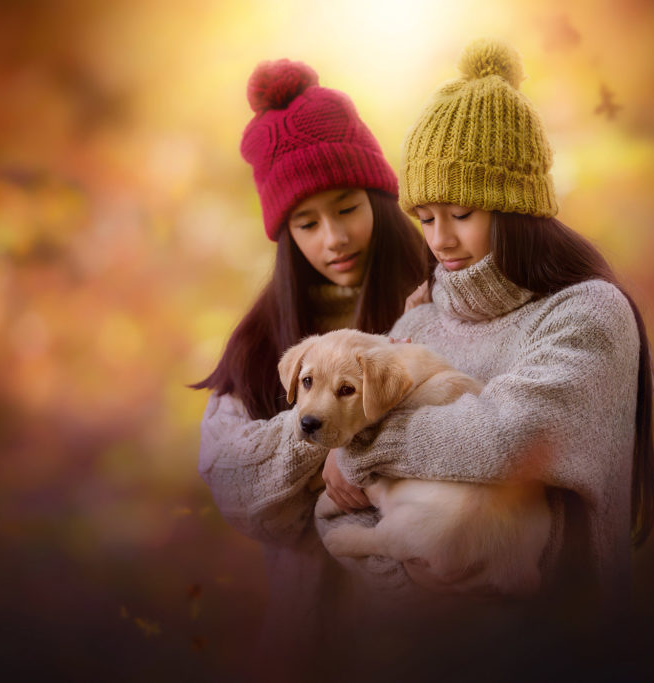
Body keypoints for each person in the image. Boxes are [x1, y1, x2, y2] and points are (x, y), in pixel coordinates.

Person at [329, 38, 654, 630]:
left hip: (559, 649)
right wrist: (408, 587)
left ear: (515, 207)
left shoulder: (586, 315)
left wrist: (358, 440)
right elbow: (335, 511)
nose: (439, 241)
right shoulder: (418, 323)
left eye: (461, 214)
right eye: (425, 218)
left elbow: (506, 436)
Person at [192, 59, 427, 668]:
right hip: (316, 642)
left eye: (347, 207)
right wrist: (322, 441)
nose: (333, 238)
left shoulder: (436, 301)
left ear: (380, 196)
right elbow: (232, 483)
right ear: (285, 234)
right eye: (307, 222)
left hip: (440, 639)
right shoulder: (261, 340)